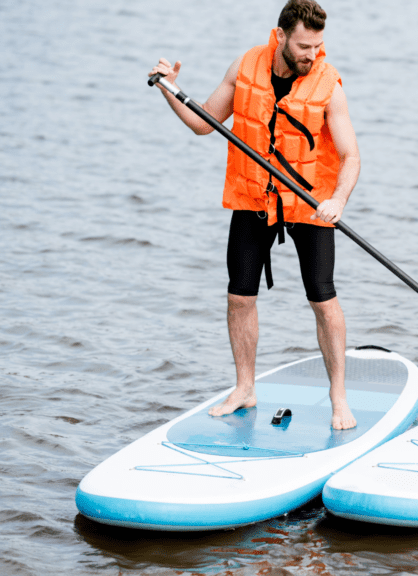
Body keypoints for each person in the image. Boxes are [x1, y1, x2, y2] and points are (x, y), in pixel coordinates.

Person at [148, 0, 359, 429]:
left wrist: (338, 200)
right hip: (254, 198)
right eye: (303, 46)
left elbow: (351, 155)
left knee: (323, 298)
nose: (312, 54)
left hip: (310, 200)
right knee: (239, 297)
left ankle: (339, 397)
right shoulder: (245, 66)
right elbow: (203, 122)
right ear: (280, 36)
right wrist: (169, 88)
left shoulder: (328, 83)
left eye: (318, 46)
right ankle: (244, 388)